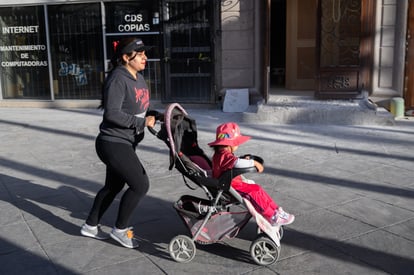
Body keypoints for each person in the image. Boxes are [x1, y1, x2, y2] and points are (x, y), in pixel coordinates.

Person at [80, 37, 160, 249]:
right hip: (113, 142)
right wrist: (141, 122)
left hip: (125, 141)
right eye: (139, 53)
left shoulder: (138, 78)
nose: (145, 57)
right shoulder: (118, 78)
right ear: (126, 57)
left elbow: (135, 108)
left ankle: (90, 226)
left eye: (145, 53)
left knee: (113, 186)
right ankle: (120, 230)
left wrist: (153, 115)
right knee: (140, 184)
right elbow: (112, 113)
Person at [208, 122, 294, 226]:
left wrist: (243, 159)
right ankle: (272, 215)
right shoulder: (224, 155)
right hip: (230, 186)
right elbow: (236, 163)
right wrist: (254, 163)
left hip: (232, 183)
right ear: (229, 144)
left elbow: (233, 162)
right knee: (254, 192)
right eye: (236, 143)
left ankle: (276, 210)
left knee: (256, 188)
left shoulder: (221, 154)